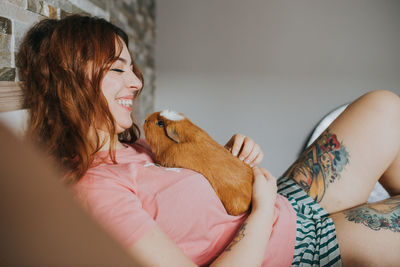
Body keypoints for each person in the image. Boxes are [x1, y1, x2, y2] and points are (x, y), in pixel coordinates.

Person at [17, 15, 400, 266]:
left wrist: (231, 160)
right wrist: (263, 210)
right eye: (118, 69)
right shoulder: (95, 193)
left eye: (132, 68)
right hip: (296, 247)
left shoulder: (136, 148)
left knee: (384, 108)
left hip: (289, 201)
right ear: (69, 82)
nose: (136, 82)